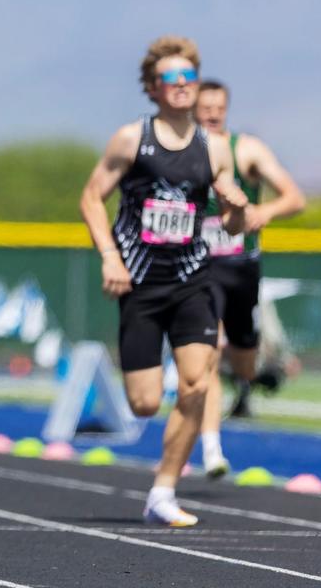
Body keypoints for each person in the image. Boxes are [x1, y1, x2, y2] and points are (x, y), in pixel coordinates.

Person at [79, 35, 247, 527]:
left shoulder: (215, 147)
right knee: (145, 402)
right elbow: (91, 198)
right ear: (152, 88)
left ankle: (163, 492)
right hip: (141, 283)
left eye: (188, 76)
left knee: (196, 384)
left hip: (193, 279)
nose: (181, 84)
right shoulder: (132, 139)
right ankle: (161, 468)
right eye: (170, 78)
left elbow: (231, 224)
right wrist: (110, 257)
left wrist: (237, 209)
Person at [195, 79, 306, 478]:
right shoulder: (180, 154)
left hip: (240, 269)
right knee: (206, 353)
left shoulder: (247, 150)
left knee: (244, 362)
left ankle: (243, 374)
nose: (212, 114)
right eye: (205, 108)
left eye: (219, 108)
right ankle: (212, 450)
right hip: (199, 269)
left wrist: (265, 212)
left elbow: (295, 197)